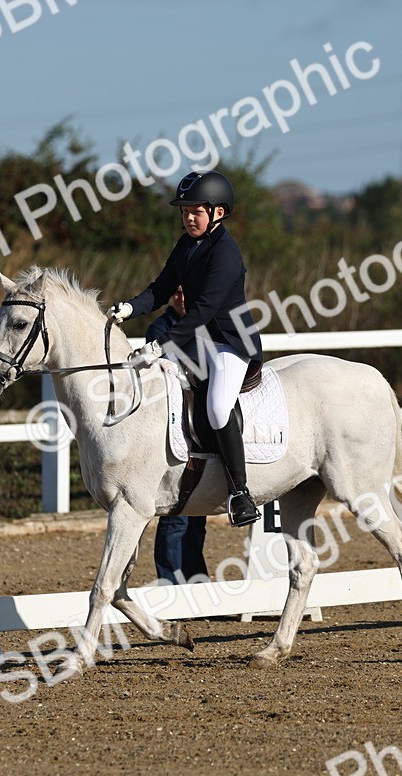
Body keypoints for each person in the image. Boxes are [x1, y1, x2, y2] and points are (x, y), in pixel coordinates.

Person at [107, 170, 263, 527]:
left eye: (196, 211)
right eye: (184, 211)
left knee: (218, 406)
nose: (189, 218)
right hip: (199, 339)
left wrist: (162, 344)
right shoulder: (187, 245)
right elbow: (161, 288)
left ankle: (240, 492)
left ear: (218, 212)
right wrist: (130, 307)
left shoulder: (225, 253)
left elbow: (204, 309)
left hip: (230, 340)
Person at [147, 286, 209, 584]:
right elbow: (168, 371)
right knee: (176, 515)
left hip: (198, 420)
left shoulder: (202, 322)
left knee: (197, 517)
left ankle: (196, 578)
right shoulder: (160, 328)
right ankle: (169, 582)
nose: (182, 298)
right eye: (178, 293)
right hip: (175, 422)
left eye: (187, 293)